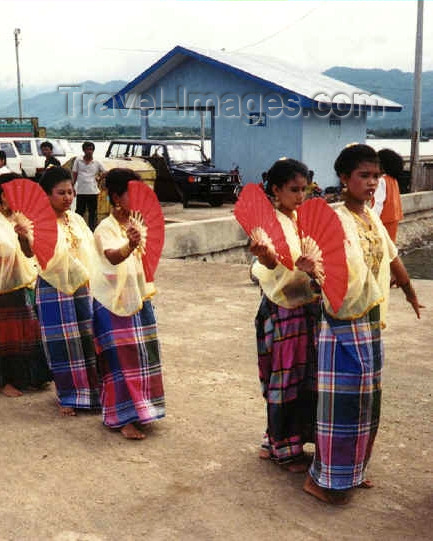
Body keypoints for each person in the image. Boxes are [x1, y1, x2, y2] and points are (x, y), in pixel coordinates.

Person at [304, 144, 422, 505]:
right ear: (344, 178)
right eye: (364, 176)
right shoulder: (333, 217)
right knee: (339, 405)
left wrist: (409, 290)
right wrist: (312, 270)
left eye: (376, 176)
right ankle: (321, 478)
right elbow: (318, 267)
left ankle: (352, 471)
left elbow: (391, 254)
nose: (372, 183)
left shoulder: (371, 216)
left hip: (370, 322)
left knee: (367, 404)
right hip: (340, 323)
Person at [250, 158, 320, 471]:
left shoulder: (303, 220)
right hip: (281, 311)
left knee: (306, 378)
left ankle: (278, 438)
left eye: (304, 189)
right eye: (294, 189)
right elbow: (265, 262)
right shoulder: (268, 225)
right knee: (284, 378)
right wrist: (265, 256)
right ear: (276, 189)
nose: (300, 196)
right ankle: (283, 447)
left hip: (307, 309)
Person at [91, 168, 165, 440]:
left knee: (143, 357)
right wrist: (129, 246)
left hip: (140, 298)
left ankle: (143, 410)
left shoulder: (138, 224)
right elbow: (111, 256)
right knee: (120, 361)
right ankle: (121, 418)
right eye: (131, 194)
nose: (139, 198)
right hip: (112, 303)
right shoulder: (105, 228)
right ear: (115, 198)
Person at [35, 167, 100, 416]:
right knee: (62, 343)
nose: (68, 197)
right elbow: (35, 253)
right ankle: (68, 396)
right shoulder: (38, 222)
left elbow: (92, 251)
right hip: (53, 287)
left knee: (87, 338)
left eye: (71, 192)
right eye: (61, 193)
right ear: (47, 195)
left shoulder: (77, 220)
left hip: (82, 286)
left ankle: (92, 393)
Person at [0, 173, 51, 397]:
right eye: (9, 194)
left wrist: (23, 238)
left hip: (24, 281)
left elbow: (31, 252)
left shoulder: (21, 219)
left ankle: (30, 376)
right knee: (5, 334)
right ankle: (5, 381)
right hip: (3, 285)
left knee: (27, 331)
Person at [371, 148, 404, 242]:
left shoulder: (381, 181)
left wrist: (372, 220)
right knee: (390, 246)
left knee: (382, 247)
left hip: (384, 219)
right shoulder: (393, 180)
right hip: (394, 218)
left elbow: (378, 204)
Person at [72, 141, 105, 231]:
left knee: (92, 212)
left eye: (91, 149)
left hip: (93, 191)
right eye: (87, 149)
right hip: (81, 191)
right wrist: (72, 187)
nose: (89, 151)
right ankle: (78, 228)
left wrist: (99, 178)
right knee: (79, 212)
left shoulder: (97, 162)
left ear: (93, 151)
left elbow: (106, 172)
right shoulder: (78, 160)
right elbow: (74, 174)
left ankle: (92, 229)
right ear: (84, 150)